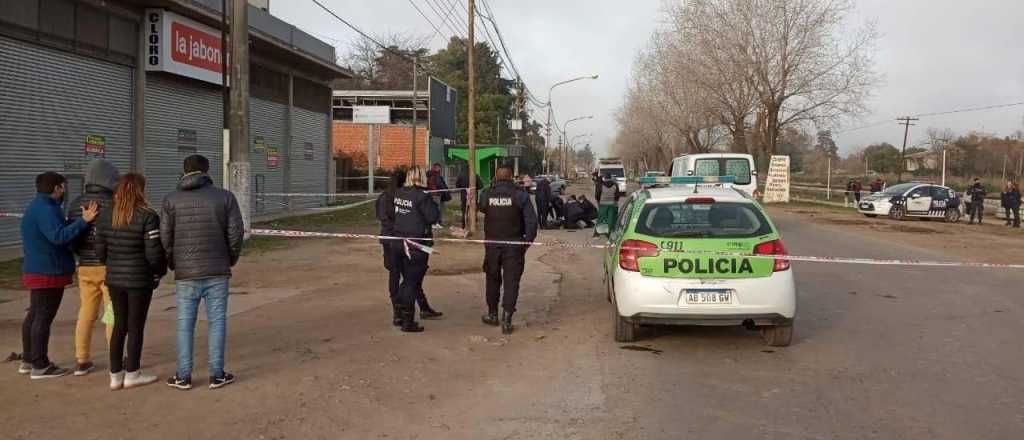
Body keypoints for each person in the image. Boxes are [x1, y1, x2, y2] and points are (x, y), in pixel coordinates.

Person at [162, 155, 244, 390]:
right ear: (207, 171)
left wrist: (173, 261)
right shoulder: (225, 197)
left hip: (186, 271)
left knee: (184, 323)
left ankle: (183, 375)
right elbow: (235, 234)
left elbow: (166, 238)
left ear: (184, 170)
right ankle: (216, 374)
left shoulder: (171, 200)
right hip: (218, 268)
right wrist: (230, 258)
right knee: (217, 321)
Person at [19, 172, 99, 379]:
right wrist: (84, 221)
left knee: (35, 315)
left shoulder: (36, 207)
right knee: (42, 317)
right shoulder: (46, 209)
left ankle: (29, 359)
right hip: (48, 271)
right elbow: (58, 236)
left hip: (37, 268)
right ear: (57, 188)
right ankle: (40, 364)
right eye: (63, 187)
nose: (64, 191)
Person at [96, 173, 167, 390]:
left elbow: (100, 251)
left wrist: (114, 265)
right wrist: (159, 272)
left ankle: (115, 375)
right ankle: (133, 372)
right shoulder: (147, 215)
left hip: (114, 279)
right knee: (136, 327)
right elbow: (154, 253)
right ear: (140, 191)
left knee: (119, 325)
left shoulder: (106, 215)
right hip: (139, 279)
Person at [66, 159, 119, 376]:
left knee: (86, 313)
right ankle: (114, 357)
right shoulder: (115, 203)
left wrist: (81, 255)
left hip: (85, 266)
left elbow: (73, 237)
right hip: (109, 266)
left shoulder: (76, 204)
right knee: (112, 313)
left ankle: (82, 359)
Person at [377, 170, 442, 327]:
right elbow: (432, 217)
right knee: (410, 280)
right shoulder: (416, 196)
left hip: (397, 241)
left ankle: (413, 308)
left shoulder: (396, 195)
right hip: (409, 242)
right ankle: (403, 313)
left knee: (408, 279)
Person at [478, 166, 538, 334]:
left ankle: (492, 314)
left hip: (492, 245)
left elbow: (481, 207)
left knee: (492, 280)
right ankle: (507, 319)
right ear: (512, 177)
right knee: (511, 282)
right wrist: (526, 243)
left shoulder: (487, 193)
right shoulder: (520, 194)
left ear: (496, 177)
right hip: (514, 245)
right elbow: (531, 223)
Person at [427, 163, 451, 228]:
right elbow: (440, 184)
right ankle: (436, 222)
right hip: (436, 194)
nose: (440, 169)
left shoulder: (428, 174)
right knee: (438, 209)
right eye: (439, 168)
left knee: (434, 209)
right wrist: (445, 191)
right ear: (436, 168)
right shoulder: (436, 175)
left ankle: (435, 222)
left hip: (431, 194)